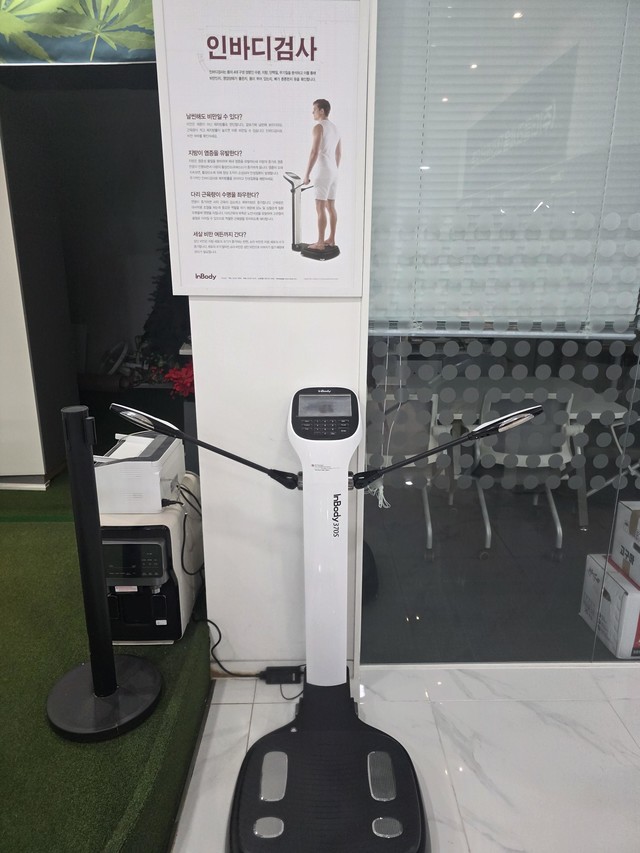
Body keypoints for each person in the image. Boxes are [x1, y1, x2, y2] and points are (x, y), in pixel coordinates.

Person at [302, 99, 341, 251]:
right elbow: (338, 153)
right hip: (333, 171)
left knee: (320, 207)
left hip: (323, 170)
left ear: (322, 111)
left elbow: (314, 152)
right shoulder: (335, 128)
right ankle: (331, 239)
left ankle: (319, 242)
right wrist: (333, 170)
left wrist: (306, 174)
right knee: (330, 206)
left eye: (314, 109)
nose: (312, 112)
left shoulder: (319, 127)